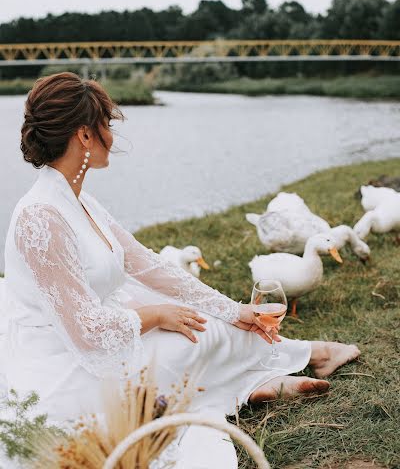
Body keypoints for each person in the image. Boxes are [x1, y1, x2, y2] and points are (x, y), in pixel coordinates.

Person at [2, 73, 360, 468]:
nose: (112, 134)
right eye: (106, 123)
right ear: (85, 136)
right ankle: (254, 383)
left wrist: (231, 309)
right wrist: (157, 314)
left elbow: (147, 264)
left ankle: (293, 363)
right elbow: (86, 333)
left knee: (211, 324)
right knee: (191, 340)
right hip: (67, 366)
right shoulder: (40, 218)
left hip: (110, 333)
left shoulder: (79, 201)